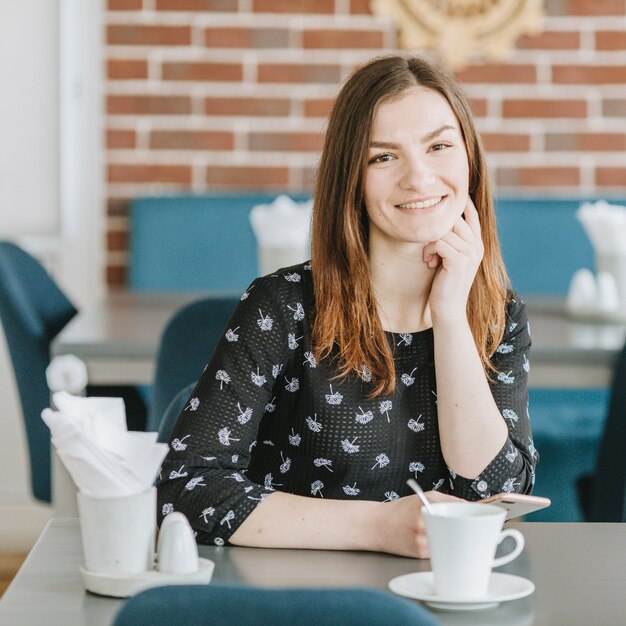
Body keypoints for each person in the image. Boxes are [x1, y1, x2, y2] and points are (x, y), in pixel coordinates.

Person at [156, 54, 537, 558]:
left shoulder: (498, 316)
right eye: (384, 157)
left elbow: (493, 489)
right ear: (350, 178)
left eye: (440, 146)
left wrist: (449, 316)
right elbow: (185, 488)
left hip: (443, 599)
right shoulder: (283, 306)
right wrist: (378, 527)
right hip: (299, 600)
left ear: (470, 159)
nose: (419, 178)